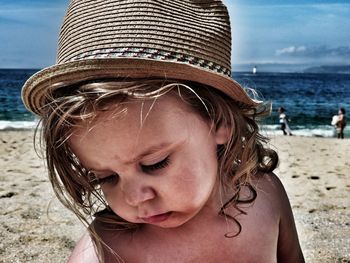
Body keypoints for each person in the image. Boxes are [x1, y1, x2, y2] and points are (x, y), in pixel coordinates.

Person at [21, 0, 304, 262]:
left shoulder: (265, 194)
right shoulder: (106, 249)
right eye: (106, 177)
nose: (134, 198)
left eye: (155, 163)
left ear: (219, 122)